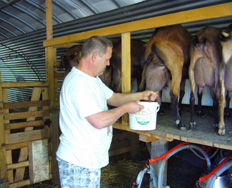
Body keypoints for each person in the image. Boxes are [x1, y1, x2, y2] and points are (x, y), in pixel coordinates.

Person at [56, 36, 158, 188]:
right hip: (78, 162)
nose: (109, 63)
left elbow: (113, 98)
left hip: (86, 160)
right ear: (94, 56)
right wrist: (126, 108)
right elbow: (98, 121)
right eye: (107, 59)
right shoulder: (78, 83)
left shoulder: (92, 79)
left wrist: (141, 95)